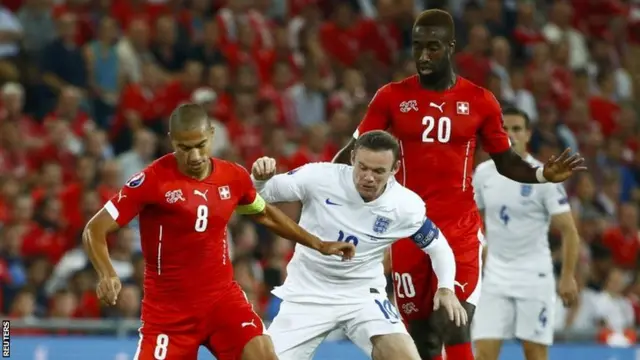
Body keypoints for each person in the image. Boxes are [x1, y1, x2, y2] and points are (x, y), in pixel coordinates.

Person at [332, 9, 585, 360]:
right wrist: (325, 188)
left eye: (432, 47)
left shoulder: (480, 101)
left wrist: (541, 174)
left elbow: (506, 161)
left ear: (451, 47)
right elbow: (351, 155)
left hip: (458, 230)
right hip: (406, 229)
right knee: (422, 337)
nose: (422, 56)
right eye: (417, 46)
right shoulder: (391, 97)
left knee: (452, 319)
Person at [82, 103, 356, 360]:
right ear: (171, 140)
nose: (195, 156)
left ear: (212, 134)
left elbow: (264, 214)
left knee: (263, 353)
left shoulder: (233, 177)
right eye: (184, 148)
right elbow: (94, 229)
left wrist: (318, 243)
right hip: (169, 313)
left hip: (222, 301)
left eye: (201, 145)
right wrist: (107, 273)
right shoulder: (151, 181)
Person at [251, 130, 467, 360]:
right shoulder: (319, 177)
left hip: (363, 296)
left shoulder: (405, 206)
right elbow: (266, 192)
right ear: (353, 158)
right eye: (363, 167)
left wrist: (446, 288)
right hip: (307, 293)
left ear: (395, 169)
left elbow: (438, 246)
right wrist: (260, 177)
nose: (368, 177)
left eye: (378, 171)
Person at [471, 107, 580, 360]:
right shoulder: (484, 173)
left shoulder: (544, 176)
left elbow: (569, 231)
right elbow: (471, 219)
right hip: (495, 276)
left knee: (535, 353)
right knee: (484, 353)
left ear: (528, 134)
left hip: (535, 276)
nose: (511, 134)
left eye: (517, 129)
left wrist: (567, 277)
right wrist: (482, 247)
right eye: (504, 129)